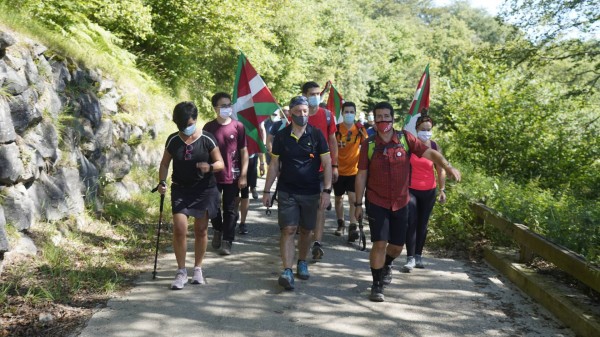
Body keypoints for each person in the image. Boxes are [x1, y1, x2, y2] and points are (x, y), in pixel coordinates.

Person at [354, 102, 461, 302]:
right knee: (379, 243)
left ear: (393, 118)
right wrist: (357, 204)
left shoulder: (405, 138)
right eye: (379, 117)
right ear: (374, 120)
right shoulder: (368, 144)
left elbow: (430, 153)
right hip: (377, 200)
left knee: (397, 246)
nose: (383, 120)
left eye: (387, 116)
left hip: (401, 201)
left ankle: (387, 264)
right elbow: (361, 175)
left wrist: (448, 166)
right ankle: (376, 285)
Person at [262, 96, 332, 290]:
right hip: (287, 191)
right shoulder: (282, 136)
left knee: (306, 230)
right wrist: (267, 190)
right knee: (288, 229)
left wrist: (326, 190)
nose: (302, 115)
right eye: (298, 111)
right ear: (290, 113)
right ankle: (286, 270)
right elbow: (274, 165)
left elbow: (326, 164)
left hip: (311, 192)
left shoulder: (317, 135)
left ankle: (302, 261)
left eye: (305, 112)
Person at [157, 101, 225, 290]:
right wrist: (162, 182)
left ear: (195, 120)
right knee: (179, 229)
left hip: (204, 189)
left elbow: (220, 163)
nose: (185, 128)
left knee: (201, 230)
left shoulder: (207, 139)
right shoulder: (173, 139)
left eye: (188, 124)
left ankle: (198, 268)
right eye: (181, 125)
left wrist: (209, 167)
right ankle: (181, 271)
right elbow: (164, 164)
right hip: (180, 189)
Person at [203, 92, 248, 255]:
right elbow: (204, 151)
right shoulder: (208, 127)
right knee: (212, 208)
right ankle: (217, 229)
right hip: (213, 175)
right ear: (215, 108)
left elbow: (244, 152)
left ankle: (227, 240)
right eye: (223, 105)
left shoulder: (238, 126)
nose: (227, 108)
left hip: (232, 175)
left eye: (229, 105)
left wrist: (243, 175)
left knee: (230, 208)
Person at [402, 113, 446, 272]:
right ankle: (410, 258)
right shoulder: (410, 145)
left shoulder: (434, 147)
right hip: (411, 189)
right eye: (422, 129)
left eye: (428, 129)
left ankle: (419, 255)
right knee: (411, 222)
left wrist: (442, 190)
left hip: (429, 191)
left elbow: (440, 170)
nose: (426, 132)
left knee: (423, 224)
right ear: (416, 129)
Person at [302, 81, 338, 261]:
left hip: (322, 168)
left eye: (318, 93)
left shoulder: (327, 115)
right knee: (305, 206)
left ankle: (317, 243)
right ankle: (304, 237)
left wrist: (335, 165)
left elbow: (332, 141)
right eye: (312, 93)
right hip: (301, 169)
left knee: (320, 206)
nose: (316, 96)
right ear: (305, 95)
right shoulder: (299, 114)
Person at [333, 101, 368, 238]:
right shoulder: (336, 129)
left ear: (355, 113)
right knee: (338, 199)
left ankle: (352, 226)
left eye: (351, 112)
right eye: (346, 112)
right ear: (342, 113)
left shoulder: (360, 130)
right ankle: (341, 223)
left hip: (354, 171)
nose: (349, 114)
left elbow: (366, 147)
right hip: (338, 170)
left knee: (353, 198)